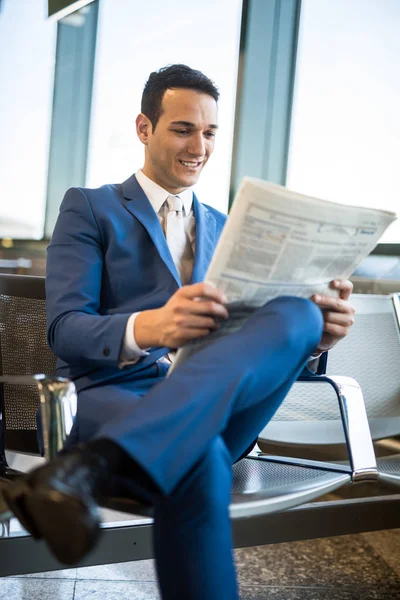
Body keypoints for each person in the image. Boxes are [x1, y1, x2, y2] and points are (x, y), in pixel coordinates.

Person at [4, 64, 355, 599]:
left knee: (303, 316)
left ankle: (97, 464)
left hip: (216, 402)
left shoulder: (228, 224)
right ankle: (111, 454)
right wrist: (151, 327)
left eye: (210, 132)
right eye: (183, 129)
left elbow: (256, 343)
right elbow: (64, 330)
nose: (200, 146)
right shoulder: (92, 207)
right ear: (144, 128)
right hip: (115, 395)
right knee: (200, 460)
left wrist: (318, 343)